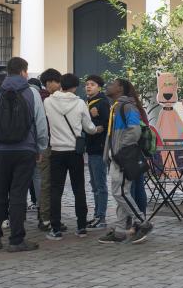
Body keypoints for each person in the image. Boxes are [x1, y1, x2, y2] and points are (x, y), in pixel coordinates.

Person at [0, 57, 48, 252]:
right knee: (19, 194)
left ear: (8, 72)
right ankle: (17, 239)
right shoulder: (32, 93)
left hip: (1, 151)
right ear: (24, 72)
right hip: (26, 150)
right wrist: (40, 148)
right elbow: (41, 124)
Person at [98, 79, 154, 244]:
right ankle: (120, 231)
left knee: (120, 192)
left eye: (112, 84)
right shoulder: (116, 106)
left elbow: (134, 131)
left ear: (120, 88)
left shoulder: (127, 106)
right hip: (117, 156)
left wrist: (120, 151)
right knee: (122, 192)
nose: (108, 86)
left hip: (122, 156)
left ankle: (142, 222)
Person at [44, 73, 95, 240]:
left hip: (57, 151)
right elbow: (89, 127)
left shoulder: (48, 102)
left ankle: (56, 228)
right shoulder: (80, 103)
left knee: (56, 190)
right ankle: (81, 227)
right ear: (74, 87)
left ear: (60, 85)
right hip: (75, 152)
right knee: (79, 188)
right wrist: (96, 129)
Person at [35, 68, 62, 231]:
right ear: (49, 82)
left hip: (46, 144)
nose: (59, 86)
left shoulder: (40, 97)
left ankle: (46, 216)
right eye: (57, 82)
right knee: (47, 182)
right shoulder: (46, 99)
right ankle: (46, 217)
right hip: (48, 144)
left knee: (47, 182)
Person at [85, 74, 111, 230]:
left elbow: (107, 124)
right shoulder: (87, 102)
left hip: (100, 148)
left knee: (100, 184)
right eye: (87, 84)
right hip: (91, 148)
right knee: (94, 183)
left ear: (99, 87)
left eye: (92, 84)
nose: (88, 86)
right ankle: (96, 215)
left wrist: (97, 123)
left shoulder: (102, 103)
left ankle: (101, 217)